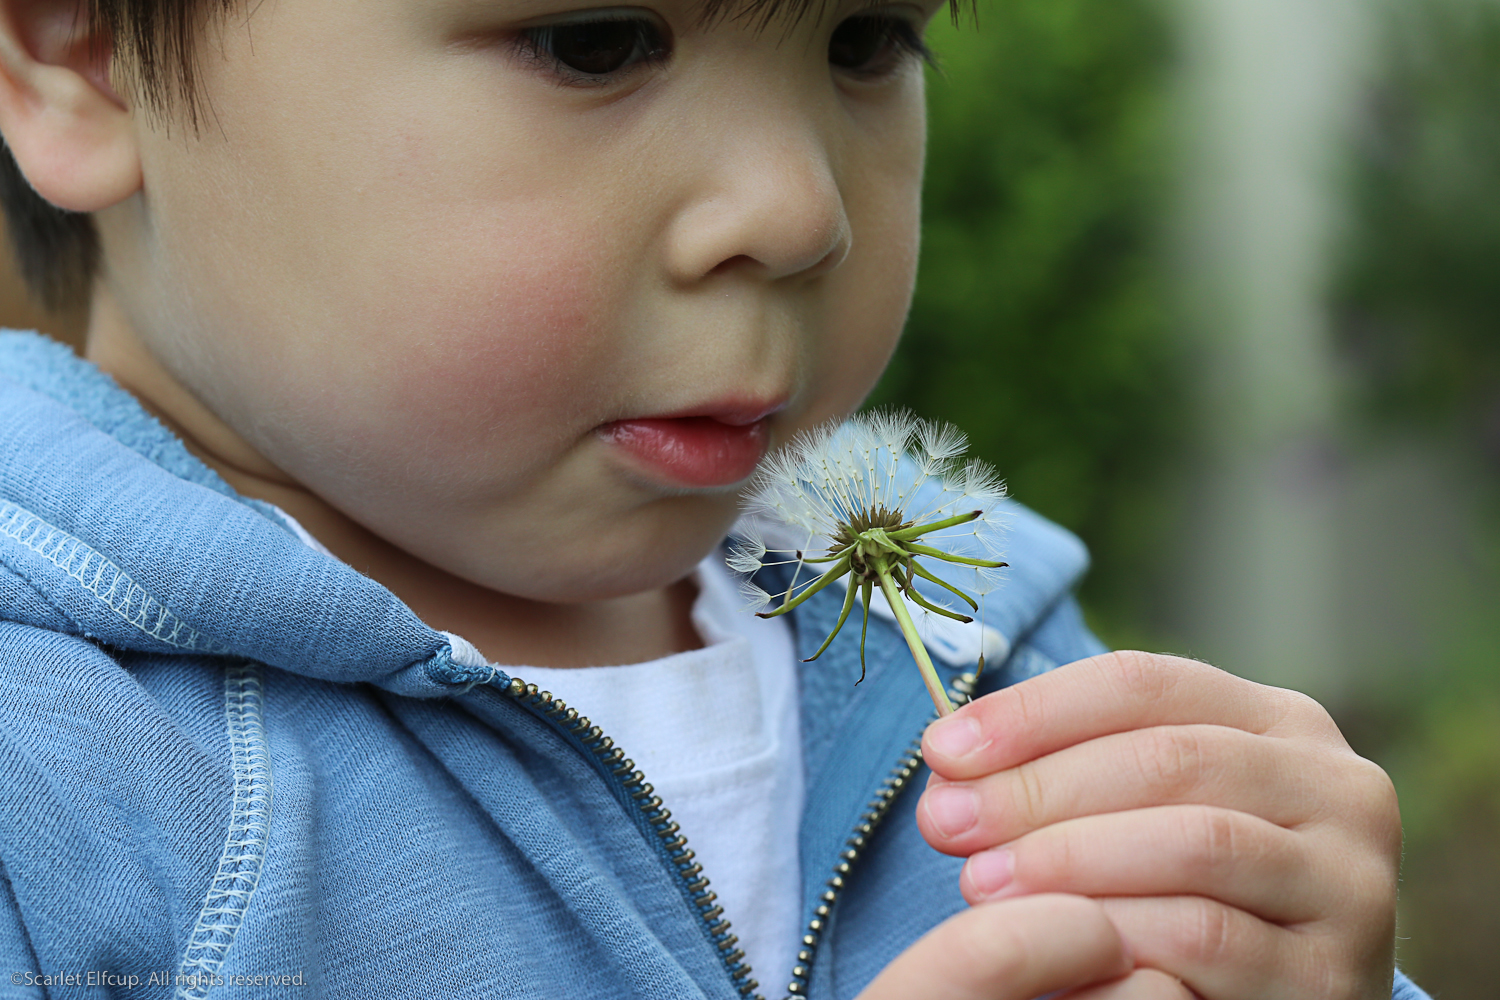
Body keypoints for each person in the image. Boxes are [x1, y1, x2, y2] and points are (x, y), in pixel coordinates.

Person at [0, 0, 1427, 996]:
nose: (801, 207)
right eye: (596, 41)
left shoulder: (972, 648)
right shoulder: (51, 789)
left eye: (865, 39)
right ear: (86, 57)